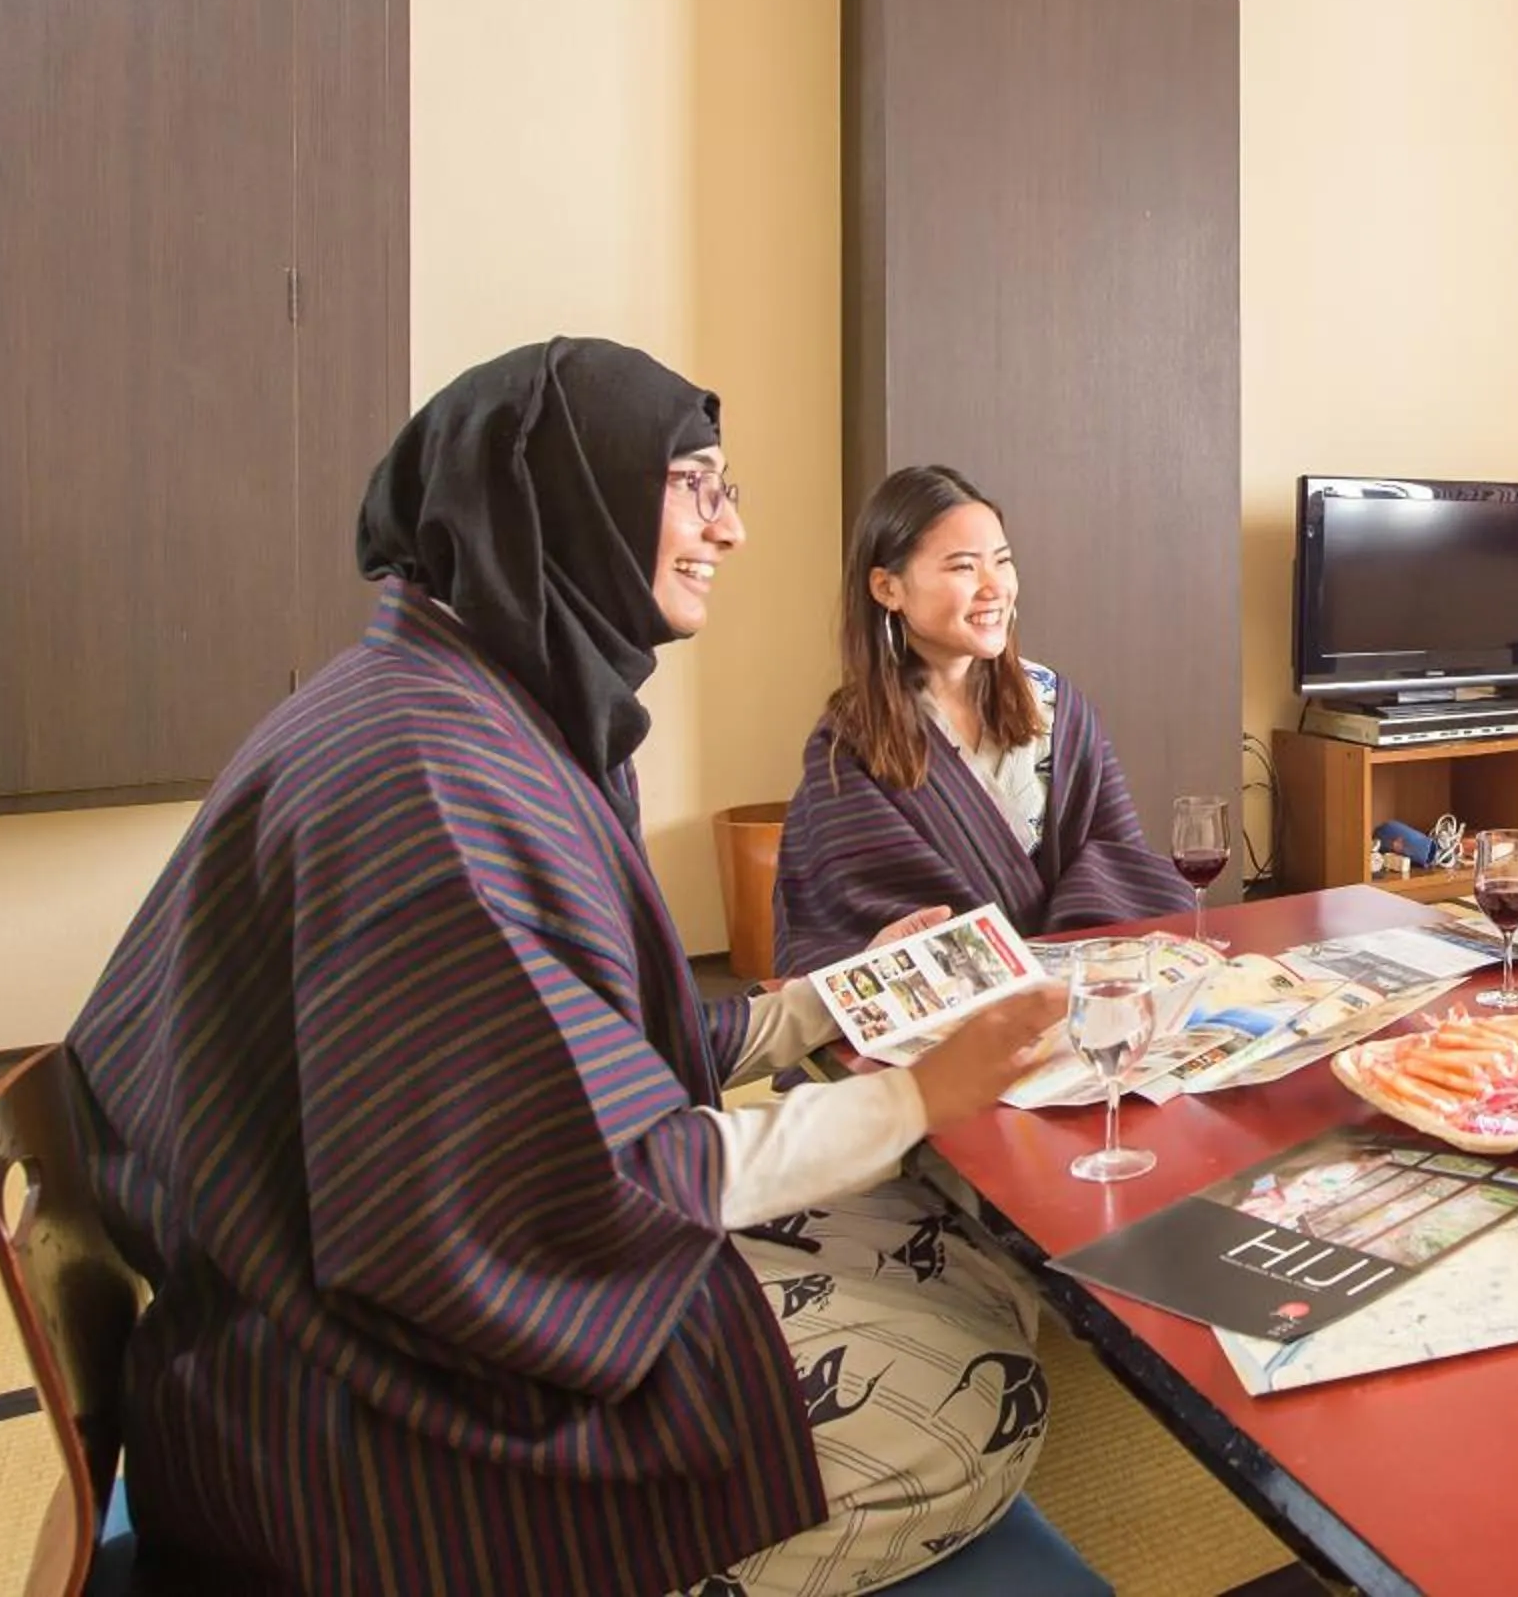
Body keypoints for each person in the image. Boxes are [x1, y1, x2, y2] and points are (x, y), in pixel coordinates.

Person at [64, 339, 1068, 1597]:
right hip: (366, 1416)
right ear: (563, 491)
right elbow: (597, 1174)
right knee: (990, 1404)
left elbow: (582, 1050)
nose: (732, 528)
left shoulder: (480, 695)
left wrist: (823, 997)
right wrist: (921, 1093)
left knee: (954, 1251)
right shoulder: (433, 774)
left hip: (337, 1310)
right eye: (696, 483)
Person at [773, 465, 1193, 973]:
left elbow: (1117, 860)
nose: (994, 587)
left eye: (1003, 561)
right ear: (887, 588)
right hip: (946, 1012)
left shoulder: (1058, 708)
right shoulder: (853, 741)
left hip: (1081, 991)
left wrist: (1060, 964)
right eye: (963, 568)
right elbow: (843, 920)